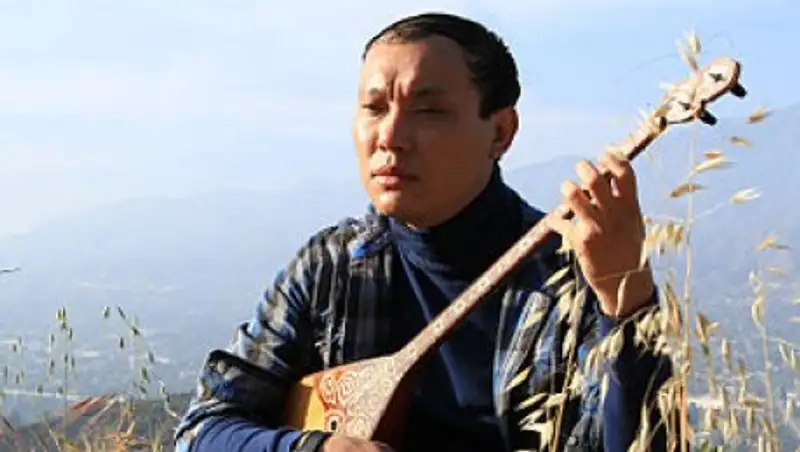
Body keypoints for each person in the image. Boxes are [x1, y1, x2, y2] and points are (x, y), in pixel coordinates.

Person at [174, 12, 674, 452]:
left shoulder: (571, 278)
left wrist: (625, 300)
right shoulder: (332, 266)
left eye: (428, 110)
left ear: (501, 132)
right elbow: (204, 429)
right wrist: (313, 448)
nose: (390, 137)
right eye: (375, 108)